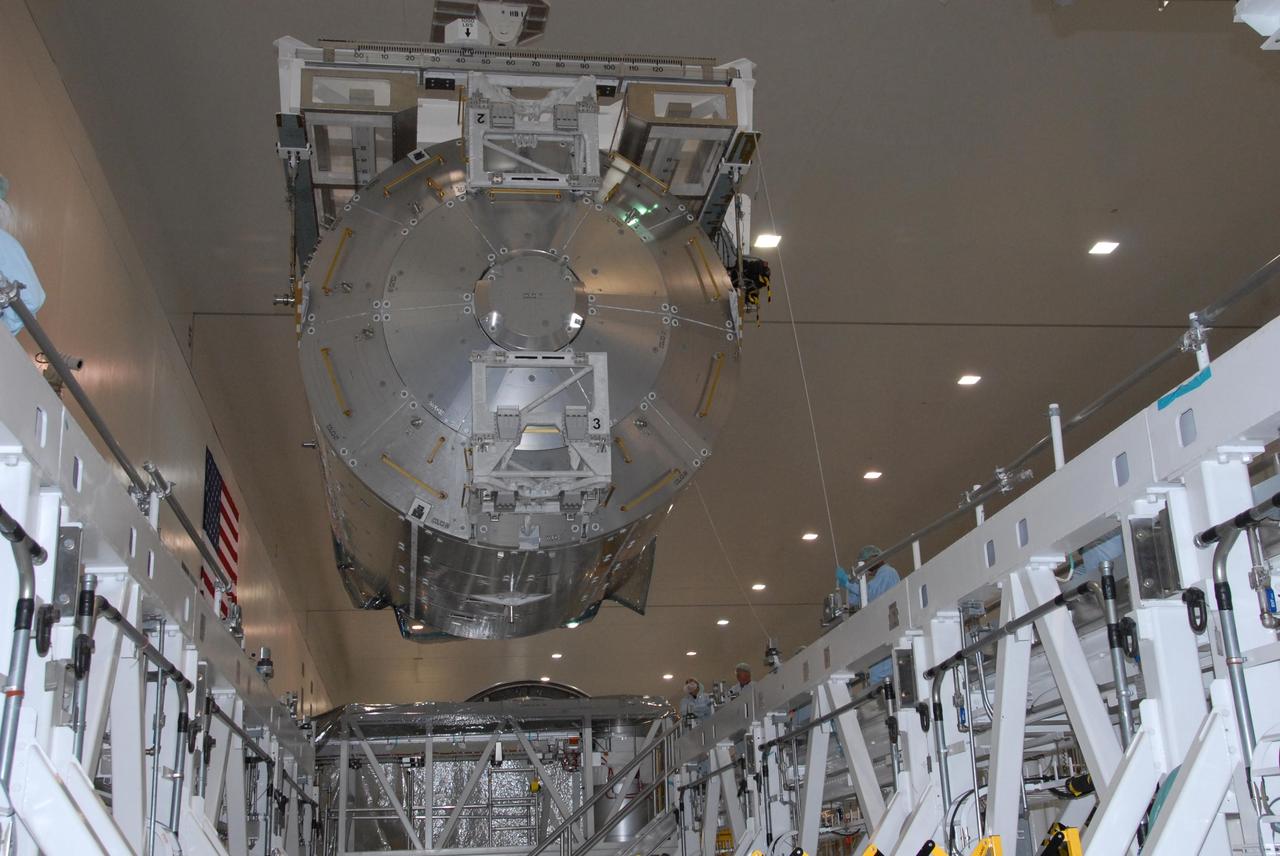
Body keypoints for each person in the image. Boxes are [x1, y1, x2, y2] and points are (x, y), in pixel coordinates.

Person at [848, 545, 901, 685]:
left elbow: (871, 593)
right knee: (878, 672)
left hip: (888, 627)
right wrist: (853, 582)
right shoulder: (879, 577)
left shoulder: (887, 572)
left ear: (874, 558)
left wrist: (849, 585)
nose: (866, 567)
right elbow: (857, 601)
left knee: (884, 672)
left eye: (866, 563)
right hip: (881, 630)